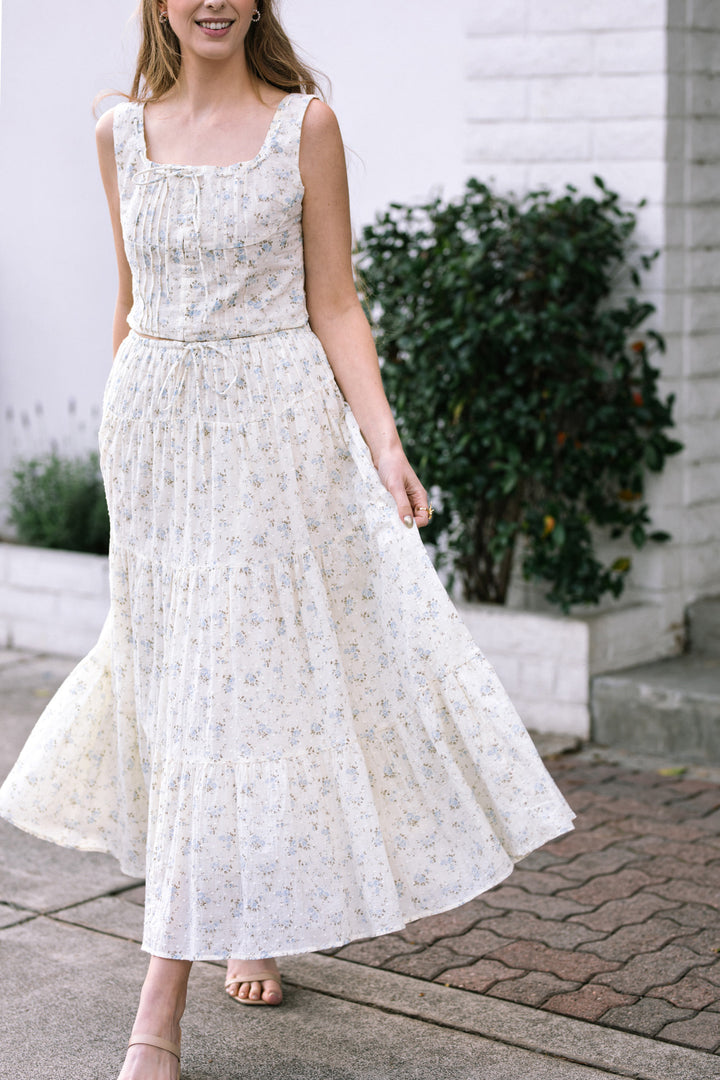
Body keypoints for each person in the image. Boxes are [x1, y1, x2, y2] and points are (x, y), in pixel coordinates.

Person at [0, 2, 576, 1077]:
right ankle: (246, 915)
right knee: (188, 696)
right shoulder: (114, 134)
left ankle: (155, 1015)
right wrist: (118, 441)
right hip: (157, 440)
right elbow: (129, 305)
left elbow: (339, 304)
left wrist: (385, 445)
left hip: (274, 434)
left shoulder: (305, 125)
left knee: (241, 691)